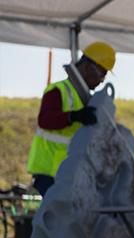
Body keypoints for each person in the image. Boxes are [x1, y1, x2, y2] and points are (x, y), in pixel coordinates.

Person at [26, 42, 115, 196]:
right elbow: (45, 120)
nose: (102, 80)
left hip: (73, 174)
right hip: (50, 174)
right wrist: (74, 116)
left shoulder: (88, 100)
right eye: (101, 73)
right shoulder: (58, 90)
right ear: (87, 66)